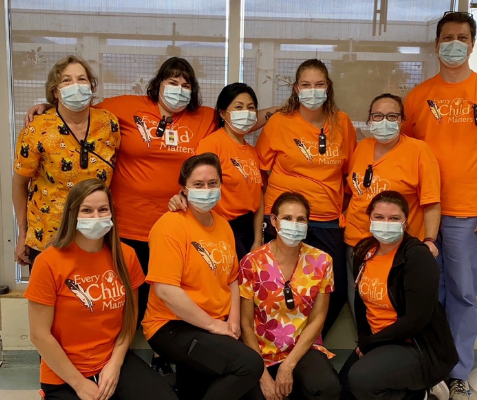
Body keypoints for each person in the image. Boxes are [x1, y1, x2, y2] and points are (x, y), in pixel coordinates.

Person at [25, 58, 276, 350]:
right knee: (126, 301)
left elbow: (244, 116)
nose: (178, 90)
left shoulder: (204, 117)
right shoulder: (125, 107)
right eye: (172, 83)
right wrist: (46, 108)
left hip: (174, 228)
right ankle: (112, 357)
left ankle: (165, 358)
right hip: (124, 228)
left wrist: (288, 106)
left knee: (172, 301)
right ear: (158, 84)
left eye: (186, 85)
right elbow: (80, 107)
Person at [402, 12, 477, 399]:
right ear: (437, 44)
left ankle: (457, 372)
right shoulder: (418, 97)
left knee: (463, 295)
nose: (454, 43)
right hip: (423, 214)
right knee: (424, 295)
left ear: (471, 44)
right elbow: (403, 154)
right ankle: (427, 368)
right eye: (447, 37)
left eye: (462, 37)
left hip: (471, 215)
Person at [25, 179, 177, 400]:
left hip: (112, 362)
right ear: (72, 214)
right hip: (64, 374)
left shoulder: (126, 256)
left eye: (102, 210)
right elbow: (39, 335)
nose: (96, 217)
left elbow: (128, 321)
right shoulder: (48, 262)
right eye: (86, 210)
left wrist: (115, 364)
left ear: (111, 213)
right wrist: (79, 384)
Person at [142, 153, 264, 400]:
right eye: (198, 185)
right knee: (250, 365)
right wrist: (213, 326)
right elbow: (166, 290)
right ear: (184, 189)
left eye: (212, 183)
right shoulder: (170, 226)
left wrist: (234, 319)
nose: (206, 190)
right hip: (171, 325)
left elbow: (232, 278)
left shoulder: (222, 225)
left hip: (213, 322)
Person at [256, 59, 357, 337]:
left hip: (326, 222)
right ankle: (279, 347)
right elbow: (260, 175)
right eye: (306, 85)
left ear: (329, 87)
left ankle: (308, 347)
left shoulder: (342, 123)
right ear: (296, 88)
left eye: (319, 84)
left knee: (332, 293)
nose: (313, 91)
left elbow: (350, 174)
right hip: (282, 221)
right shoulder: (279, 123)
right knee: (277, 288)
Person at [339, 191, 458, 400]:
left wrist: (370, 344)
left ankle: (422, 392)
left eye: (394, 218)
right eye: (379, 217)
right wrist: (365, 340)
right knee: (344, 386)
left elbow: (415, 320)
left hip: (413, 344)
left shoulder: (417, 257)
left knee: (361, 380)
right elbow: (361, 305)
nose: (386, 223)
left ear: (405, 221)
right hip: (379, 339)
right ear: (369, 219)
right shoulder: (364, 252)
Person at [13, 55, 120, 270]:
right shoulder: (37, 129)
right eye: (66, 81)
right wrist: (22, 234)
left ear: (91, 86)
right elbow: (19, 185)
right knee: (49, 302)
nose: (76, 86)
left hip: (97, 236)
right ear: (55, 91)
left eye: (82, 79)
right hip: (48, 238)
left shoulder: (109, 124)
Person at [344, 93, 440, 322]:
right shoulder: (361, 147)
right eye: (377, 116)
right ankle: (366, 351)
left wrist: (429, 240)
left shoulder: (419, 151)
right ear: (369, 120)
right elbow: (352, 191)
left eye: (391, 116)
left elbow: (431, 201)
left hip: (396, 245)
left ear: (401, 120)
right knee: (359, 305)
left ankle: (393, 354)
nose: (384, 121)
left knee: (393, 306)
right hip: (356, 242)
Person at [240, 192, 341, 400]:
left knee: (328, 387)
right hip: (259, 351)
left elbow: (318, 318)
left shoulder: (322, 261)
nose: (294, 225)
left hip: (302, 348)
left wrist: (289, 365)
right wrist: (263, 375)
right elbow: (245, 323)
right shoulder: (252, 262)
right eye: (287, 218)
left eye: (300, 219)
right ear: (274, 221)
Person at [168, 82, 264, 260]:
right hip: (224, 227)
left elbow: (258, 197)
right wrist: (180, 196)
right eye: (238, 107)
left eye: (251, 108)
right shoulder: (212, 144)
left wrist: (258, 239)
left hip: (250, 228)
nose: (246, 112)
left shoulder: (252, 151)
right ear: (222, 113)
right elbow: (196, 181)